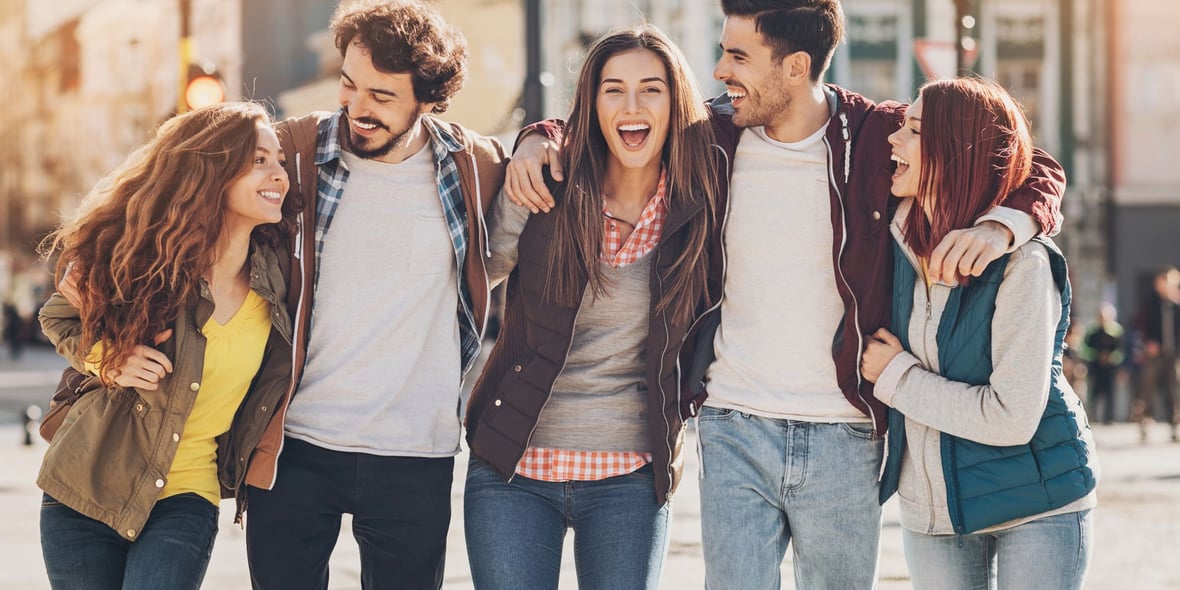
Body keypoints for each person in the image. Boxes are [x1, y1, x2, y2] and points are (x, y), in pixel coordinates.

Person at [507, 1, 1068, 587]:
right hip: (733, 425)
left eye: (738, 55)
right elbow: (607, 123)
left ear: (796, 66)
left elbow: (1012, 157)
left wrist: (1003, 223)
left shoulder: (876, 136)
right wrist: (537, 137)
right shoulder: (710, 135)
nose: (720, 70)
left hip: (846, 432)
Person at [241, 1, 507, 588]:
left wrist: (542, 139)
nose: (357, 109)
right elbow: (179, 195)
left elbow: (552, 154)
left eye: (382, 97)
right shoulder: (292, 151)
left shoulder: (473, 167)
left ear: (429, 99)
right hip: (295, 443)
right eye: (349, 85)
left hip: (414, 452)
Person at [462, 26, 719, 589]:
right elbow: (476, 281)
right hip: (513, 469)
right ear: (592, 103)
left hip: (629, 477)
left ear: (675, 103)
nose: (632, 106)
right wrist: (529, 145)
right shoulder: (545, 183)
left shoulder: (700, 205)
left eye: (651, 89)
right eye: (613, 90)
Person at [36, 101, 294, 590]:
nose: (279, 174)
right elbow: (58, 314)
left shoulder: (277, 287)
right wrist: (109, 361)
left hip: (186, 498)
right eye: (260, 160)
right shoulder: (144, 261)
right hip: (84, 484)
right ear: (214, 170)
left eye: (279, 161)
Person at [861, 76, 1098, 590]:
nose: (893, 139)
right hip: (932, 510)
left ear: (955, 151)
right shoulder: (892, 238)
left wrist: (897, 378)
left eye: (914, 130)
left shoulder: (1023, 263)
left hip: (1038, 503)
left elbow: (1011, 418)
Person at [1130, 266, 1180, 442]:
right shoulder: (1148, 303)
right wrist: (1147, 343)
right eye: (1163, 281)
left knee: (1173, 391)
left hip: (1172, 354)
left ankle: (1174, 426)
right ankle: (1144, 423)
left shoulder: (1175, 305)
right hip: (1152, 355)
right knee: (1147, 391)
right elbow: (1138, 326)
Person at [1082, 303, 1125, 424]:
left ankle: (1109, 418)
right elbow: (1084, 348)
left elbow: (1121, 351)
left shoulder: (1117, 331)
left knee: (1111, 392)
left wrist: (1111, 357)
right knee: (1094, 392)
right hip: (1095, 367)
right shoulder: (1091, 331)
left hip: (1111, 368)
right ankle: (1092, 417)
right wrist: (1096, 355)